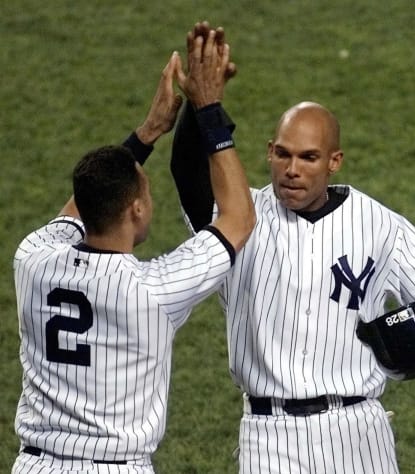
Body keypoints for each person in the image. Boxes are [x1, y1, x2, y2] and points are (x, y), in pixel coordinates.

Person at [166, 22, 415, 474]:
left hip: (359, 431)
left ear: (334, 161)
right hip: (270, 438)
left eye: (308, 157)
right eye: (283, 154)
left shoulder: (377, 223)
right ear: (269, 152)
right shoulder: (239, 218)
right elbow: (187, 174)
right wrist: (201, 105)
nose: (292, 169)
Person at [11, 30, 255, 474]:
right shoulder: (154, 289)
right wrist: (209, 108)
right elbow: (239, 219)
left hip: (37, 466)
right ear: (137, 208)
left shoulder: (33, 259)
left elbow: (83, 199)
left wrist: (149, 131)